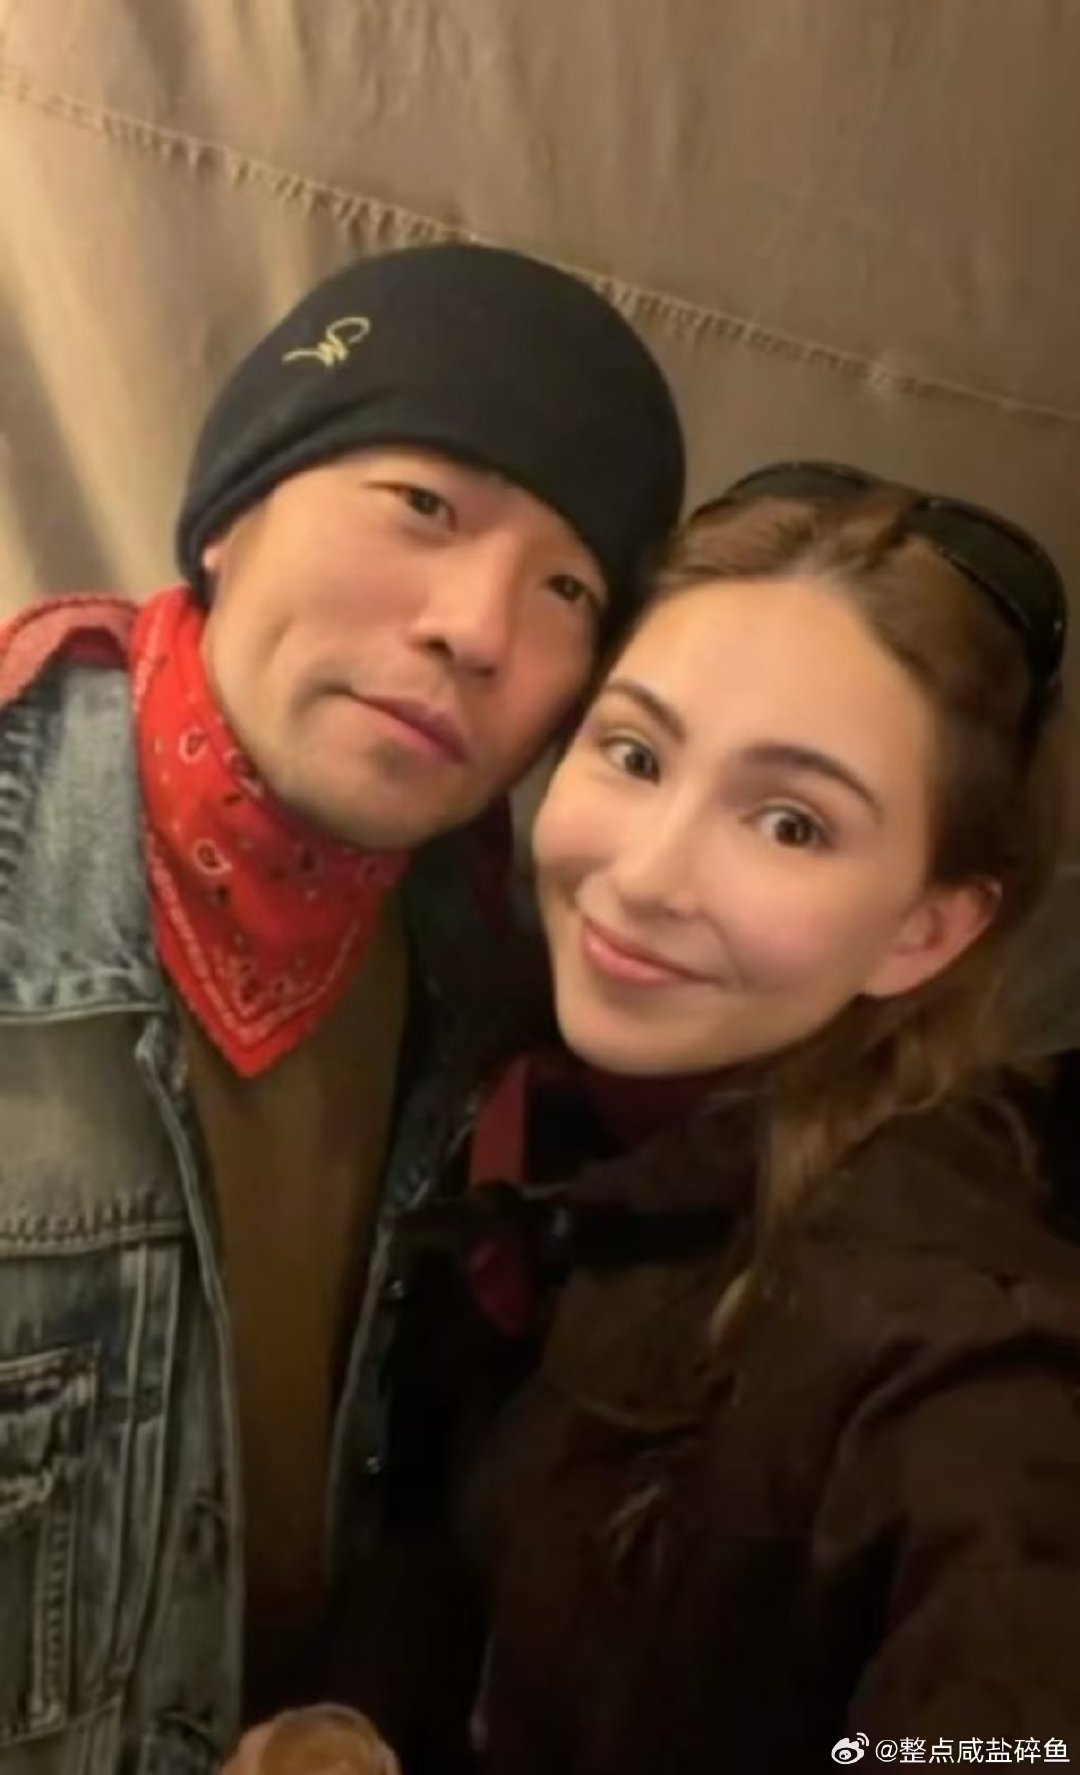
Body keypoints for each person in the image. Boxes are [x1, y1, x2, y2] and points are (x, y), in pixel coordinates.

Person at [0, 240, 684, 1775]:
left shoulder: (488, 964)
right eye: (423, 505)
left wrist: (352, 1706)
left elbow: (411, 1463)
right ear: (233, 515)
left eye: (567, 588)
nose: (478, 627)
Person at [356, 461, 1080, 1771]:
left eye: (791, 824)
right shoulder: (518, 1098)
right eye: (635, 754)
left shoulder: (946, 1343)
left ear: (923, 930)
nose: (645, 876)